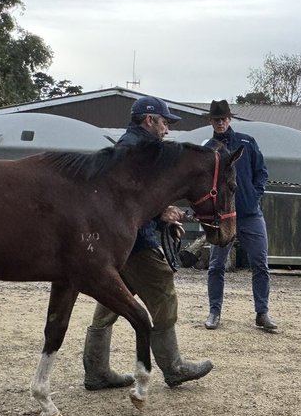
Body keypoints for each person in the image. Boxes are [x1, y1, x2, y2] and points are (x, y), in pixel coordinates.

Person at [82, 95, 213, 390]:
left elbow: (134, 197)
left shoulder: (130, 146)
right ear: (149, 120)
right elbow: (128, 199)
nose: (167, 129)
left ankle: (96, 369)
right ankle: (173, 366)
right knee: (162, 289)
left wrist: (162, 213)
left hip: (124, 237)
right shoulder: (139, 150)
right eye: (164, 122)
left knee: (114, 296)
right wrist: (159, 213)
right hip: (136, 240)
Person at [201, 99, 277, 332]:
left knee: (260, 264)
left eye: (224, 119)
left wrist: (254, 196)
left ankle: (262, 313)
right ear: (211, 121)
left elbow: (261, 172)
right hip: (222, 217)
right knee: (216, 265)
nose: (221, 123)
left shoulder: (246, 142)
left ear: (229, 119)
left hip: (250, 214)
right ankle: (214, 311)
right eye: (216, 119)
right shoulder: (208, 148)